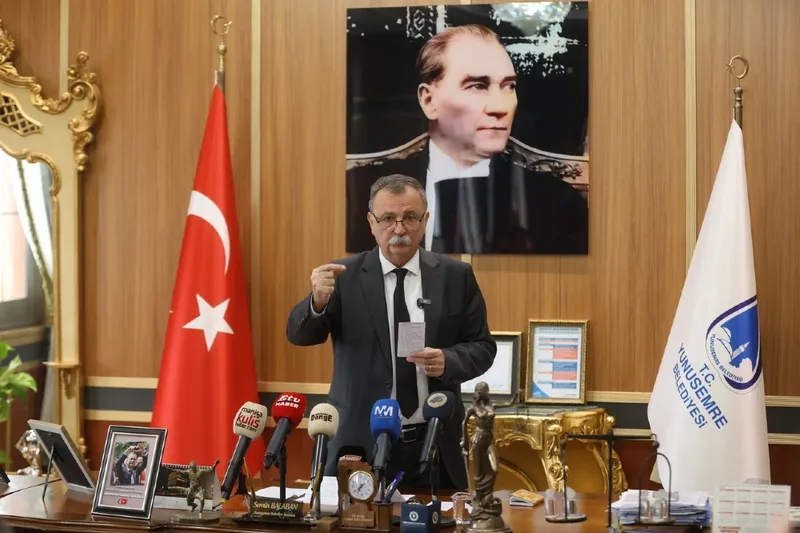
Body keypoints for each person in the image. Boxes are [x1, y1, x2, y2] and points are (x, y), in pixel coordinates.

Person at [287, 174, 496, 490]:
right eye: (388, 219)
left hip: (434, 445)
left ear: (425, 221)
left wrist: (449, 360)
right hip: (360, 443)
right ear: (371, 222)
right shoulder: (344, 277)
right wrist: (317, 301)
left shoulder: (456, 276)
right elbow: (300, 335)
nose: (399, 229)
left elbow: (482, 347)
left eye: (410, 217)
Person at [346, 24, 588, 255]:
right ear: (429, 101)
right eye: (477, 86)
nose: (500, 107)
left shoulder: (556, 203)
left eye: (509, 86)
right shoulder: (358, 192)